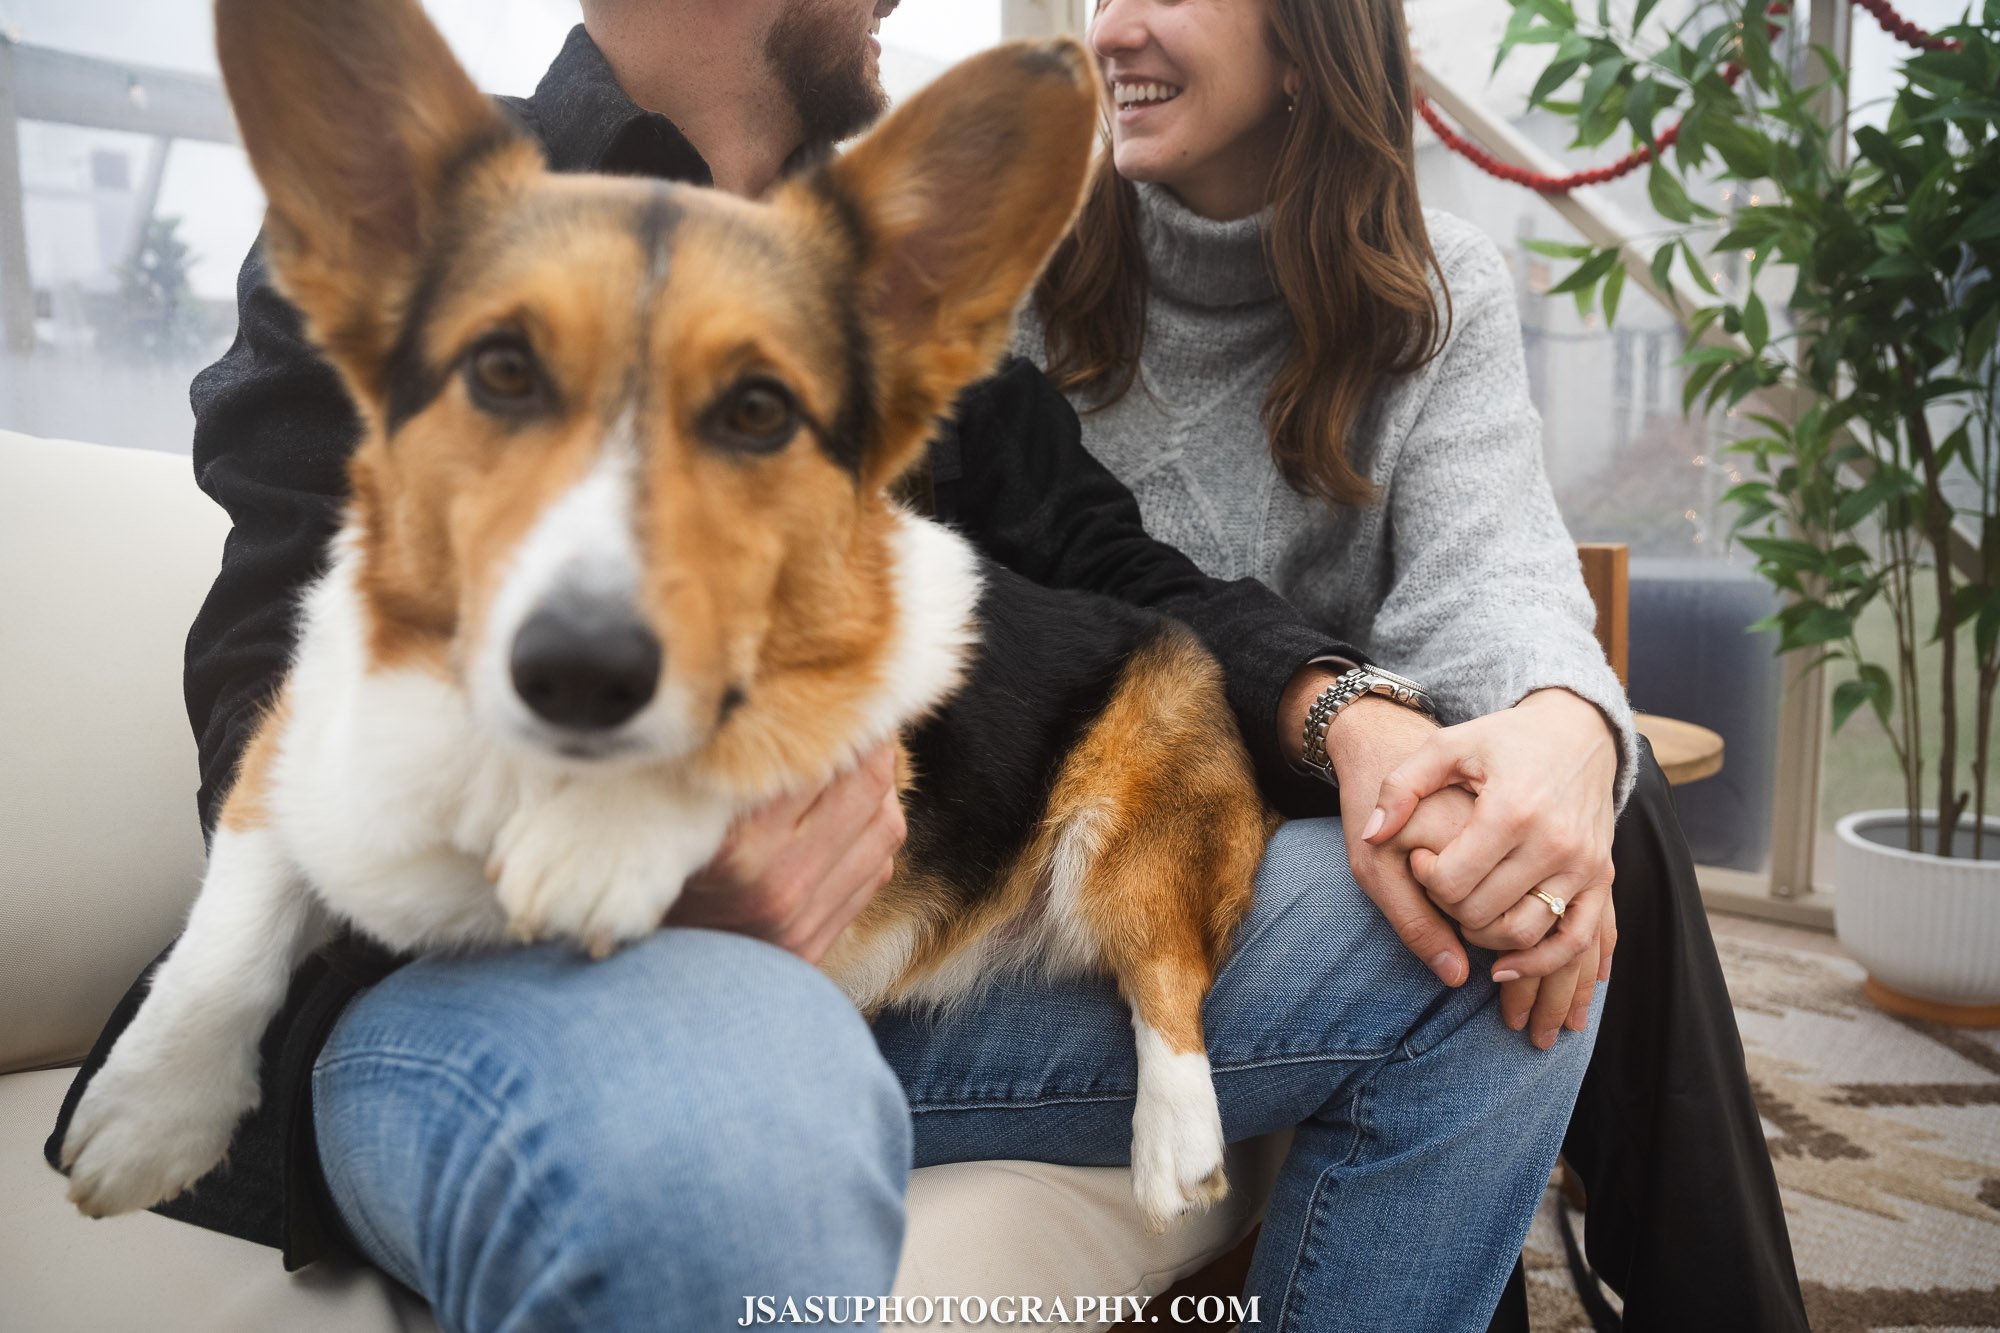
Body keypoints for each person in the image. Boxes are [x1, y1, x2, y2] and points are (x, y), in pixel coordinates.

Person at [47, 2, 1600, 1329]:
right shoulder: (447, 221)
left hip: (886, 957)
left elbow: (1114, 572)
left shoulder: (879, 278)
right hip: (472, 984)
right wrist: (660, 885)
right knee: (739, 1125)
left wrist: (1346, 712)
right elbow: (266, 688)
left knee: (1488, 931)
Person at [1021, 0, 1811, 1328]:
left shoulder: (1433, 284)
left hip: (1374, 783)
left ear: (1308, 39)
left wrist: (1566, 725)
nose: (1117, 29)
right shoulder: (1026, 277)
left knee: (1565, 828)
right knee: (1542, 872)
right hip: (1126, 824)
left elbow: (1496, 570)